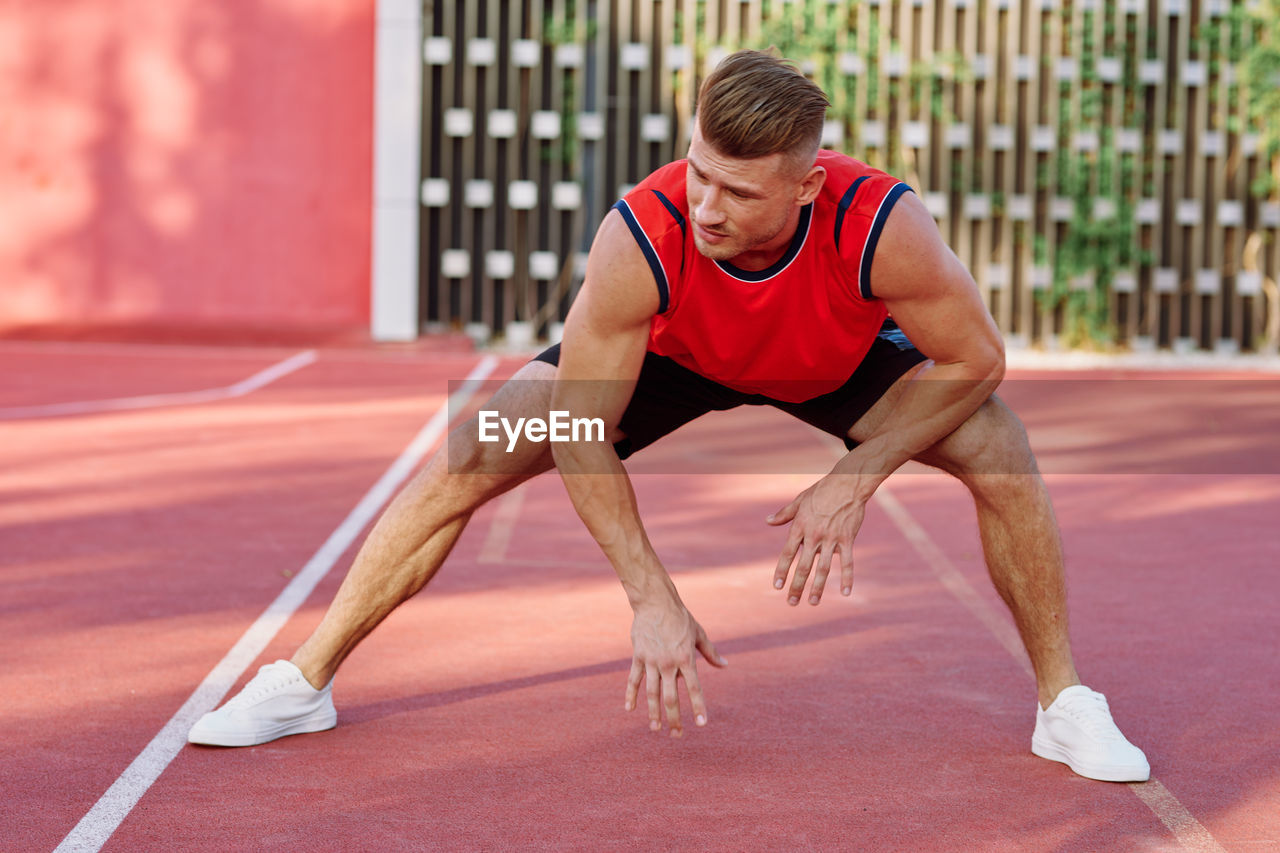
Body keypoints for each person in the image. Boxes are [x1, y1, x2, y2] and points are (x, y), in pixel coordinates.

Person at [189, 49, 1149, 783]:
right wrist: (649, 592)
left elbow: (977, 358)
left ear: (807, 185)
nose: (707, 204)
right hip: (673, 357)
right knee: (473, 446)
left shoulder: (880, 225)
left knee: (1001, 445)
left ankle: (1064, 701)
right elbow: (577, 427)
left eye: (738, 190)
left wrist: (856, 476)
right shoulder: (641, 236)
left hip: (830, 361)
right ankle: (304, 681)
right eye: (699, 172)